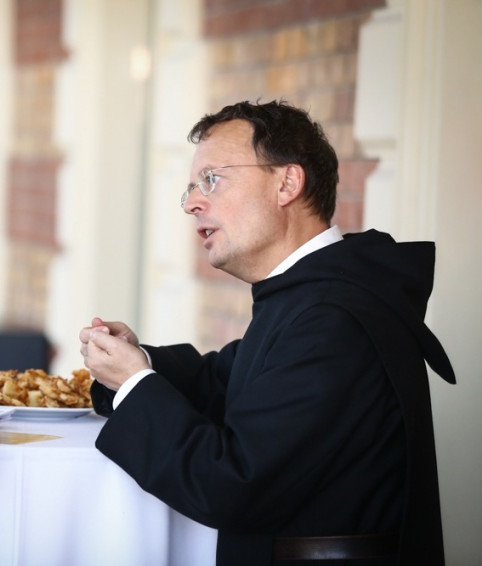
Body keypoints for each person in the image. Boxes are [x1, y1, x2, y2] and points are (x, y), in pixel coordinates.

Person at [79, 100, 455, 565]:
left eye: (211, 179)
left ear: (287, 183)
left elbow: (232, 485)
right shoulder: (312, 296)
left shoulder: (331, 318)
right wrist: (137, 363)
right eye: (191, 188)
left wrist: (135, 384)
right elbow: (222, 383)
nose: (193, 203)